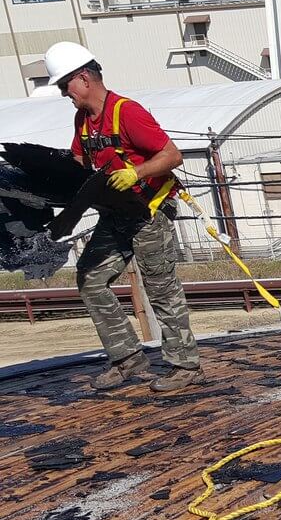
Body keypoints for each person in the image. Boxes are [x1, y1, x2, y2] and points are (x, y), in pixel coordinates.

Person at [44, 41, 203, 391]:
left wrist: (138, 172)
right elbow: (80, 163)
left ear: (83, 78)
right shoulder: (83, 120)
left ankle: (185, 365)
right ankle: (127, 357)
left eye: (63, 85)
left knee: (160, 287)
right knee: (89, 278)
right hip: (117, 213)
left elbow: (172, 155)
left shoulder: (127, 112)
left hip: (150, 211)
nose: (63, 93)